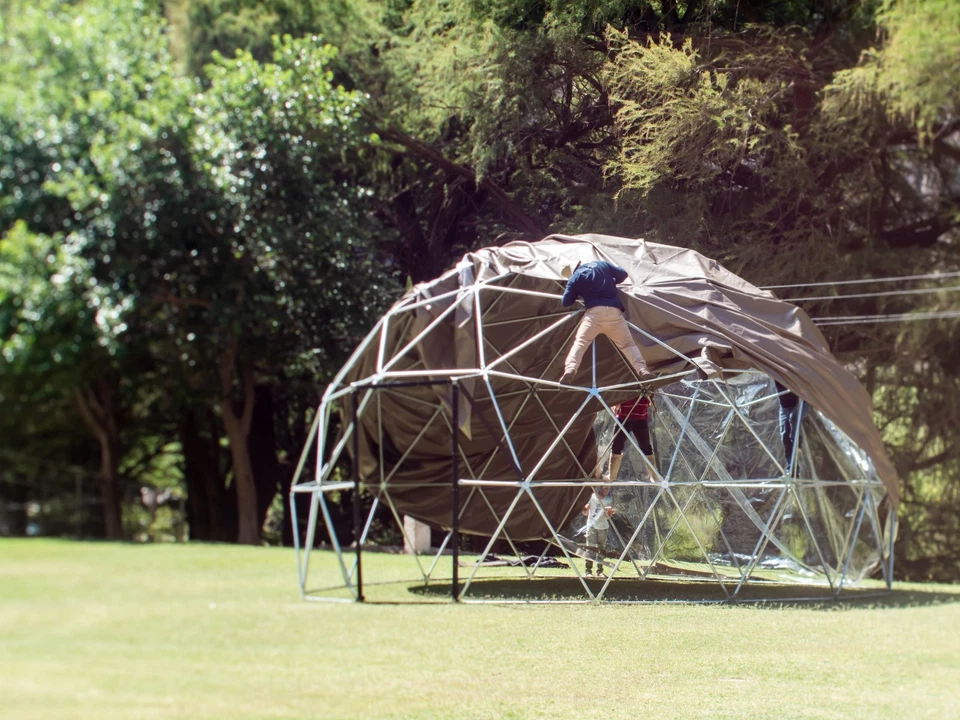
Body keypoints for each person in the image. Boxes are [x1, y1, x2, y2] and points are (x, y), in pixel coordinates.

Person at [558, 260, 654, 385]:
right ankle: (642, 370)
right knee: (627, 345)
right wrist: (611, 281)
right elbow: (623, 274)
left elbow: (566, 302)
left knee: (580, 343)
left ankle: (570, 370)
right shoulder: (601, 264)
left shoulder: (574, 278)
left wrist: (577, 291)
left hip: (594, 315)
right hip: (614, 314)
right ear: (578, 263)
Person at [603, 396, 657, 483]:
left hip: (640, 417)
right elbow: (616, 394)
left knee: (646, 447)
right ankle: (612, 476)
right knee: (616, 446)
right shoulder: (623, 389)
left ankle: (654, 476)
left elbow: (650, 394)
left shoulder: (643, 388)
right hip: (623, 417)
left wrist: (650, 400)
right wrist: (615, 402)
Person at [582, 485, 615, 577]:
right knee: (590, 548)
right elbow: (584, 511)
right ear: (600, 488)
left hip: (603, 527)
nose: (607, 490)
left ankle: (599, 571)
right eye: (605, 488)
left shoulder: (608, 500)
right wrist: (585, 508)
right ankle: (588, 571)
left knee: (601, 549)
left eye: (609, 489)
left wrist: (609, 512)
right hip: (592, 526)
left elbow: (609, 516)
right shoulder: (592, 497)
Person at [775, 381, 803, 472]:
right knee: (785, 436)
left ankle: (800, 467)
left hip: (797, 403)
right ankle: (791, 469)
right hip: (784, 407)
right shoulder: (775, 373)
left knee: (795, 436)